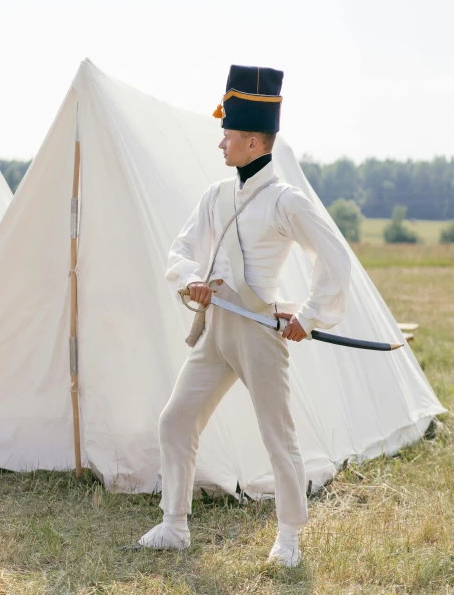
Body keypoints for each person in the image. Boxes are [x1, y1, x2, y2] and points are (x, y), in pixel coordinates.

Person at [138, 65, 351, 566]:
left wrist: (311, 315)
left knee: (278, 435)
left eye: (228, 137)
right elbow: (182, 249)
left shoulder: (285, 201)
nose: (221, 145)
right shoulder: (216, 195)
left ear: (254, 143)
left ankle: (290, 538)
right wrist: (190, 276)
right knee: (175, 421)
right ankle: (174, 525)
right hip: (216, 329)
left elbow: (334, 257)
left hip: (259, 331)